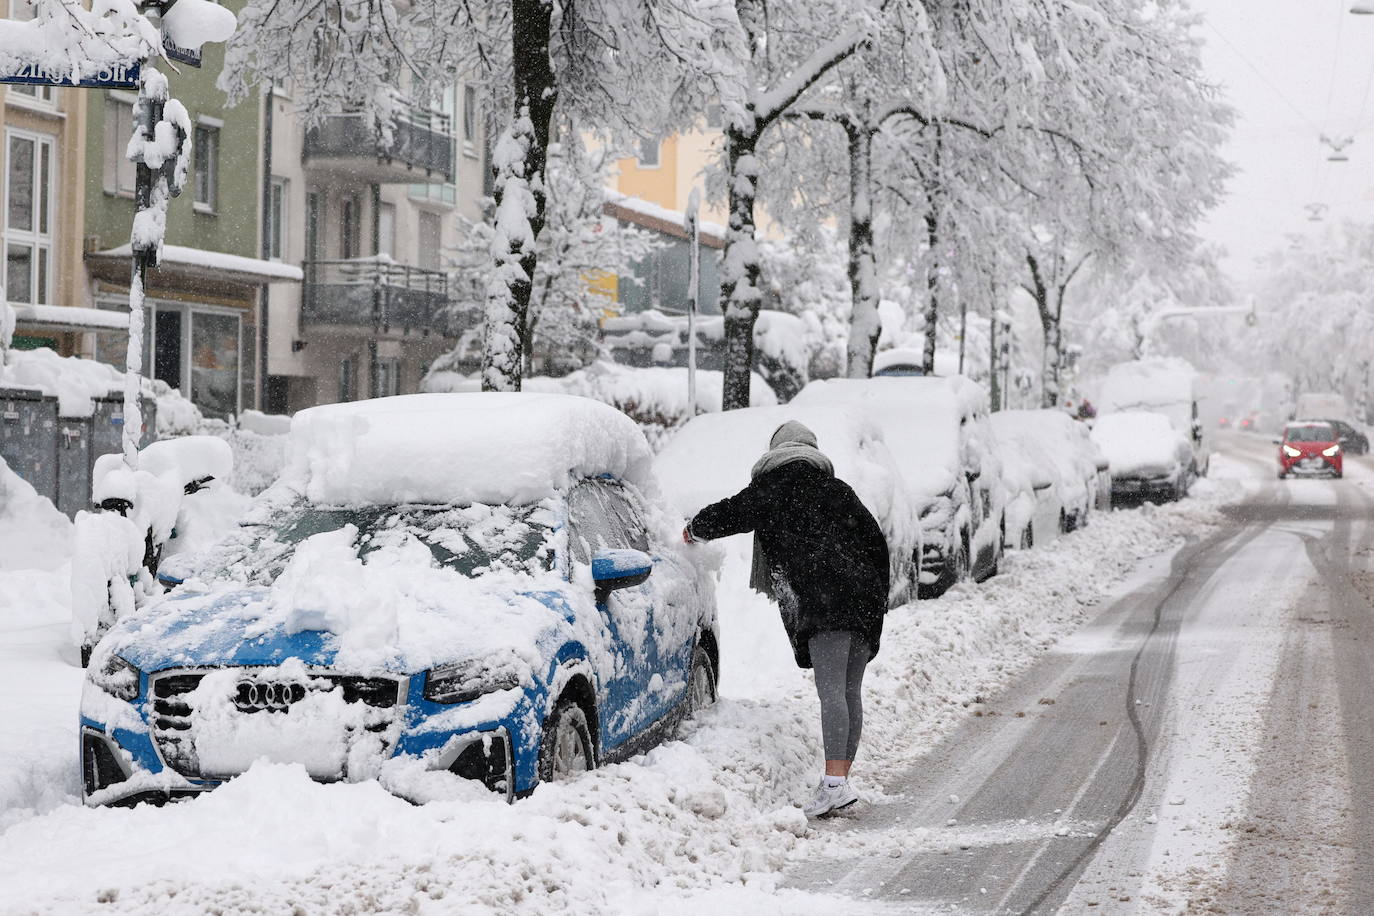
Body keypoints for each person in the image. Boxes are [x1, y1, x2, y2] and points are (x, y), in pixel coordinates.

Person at [683, 421, 890, 818]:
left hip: (826, 599)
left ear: (777, 451)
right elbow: (876, 542)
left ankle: (834, 784)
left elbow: (732, 513)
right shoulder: (839, 491)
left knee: (831, 692)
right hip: (863, 599)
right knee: (849, 691)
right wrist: (876, 599)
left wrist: (693, 530)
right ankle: (838, 781)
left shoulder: (776, 487)